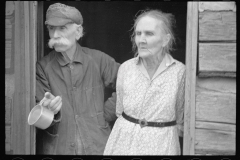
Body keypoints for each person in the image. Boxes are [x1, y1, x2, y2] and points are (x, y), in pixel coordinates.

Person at [35, 3, 120, 155]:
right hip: (59, 147)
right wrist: (48, 111)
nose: (55, 35)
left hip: (98, 145)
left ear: (78, 31)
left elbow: (130, 85)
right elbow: (40, 120)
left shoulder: (98, 59)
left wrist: (107, 113)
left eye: (62, 28)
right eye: (51, 28)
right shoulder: (43, 67)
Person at [103, 9, 185, 155]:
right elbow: (119, 110)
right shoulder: (126, 68)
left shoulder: (179, 72)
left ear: (165, 39)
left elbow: (180, 117)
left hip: (162, 145)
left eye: (149, 33)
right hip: (123, 143)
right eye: (138, 33)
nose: (141, 40)